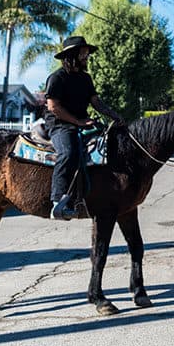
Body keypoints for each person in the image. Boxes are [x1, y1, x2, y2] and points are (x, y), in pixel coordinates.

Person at [44, 36, 124, 221]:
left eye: (87, 54)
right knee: (68, 152)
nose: (86, 57)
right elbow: (53, 107)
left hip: (82, 121)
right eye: (83, 53)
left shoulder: (85, 78)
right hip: (60, 125)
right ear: (71, 55)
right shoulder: (57, 78)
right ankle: (57, 202)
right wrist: (78, 122)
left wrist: (115, 117)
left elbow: (96, 103)